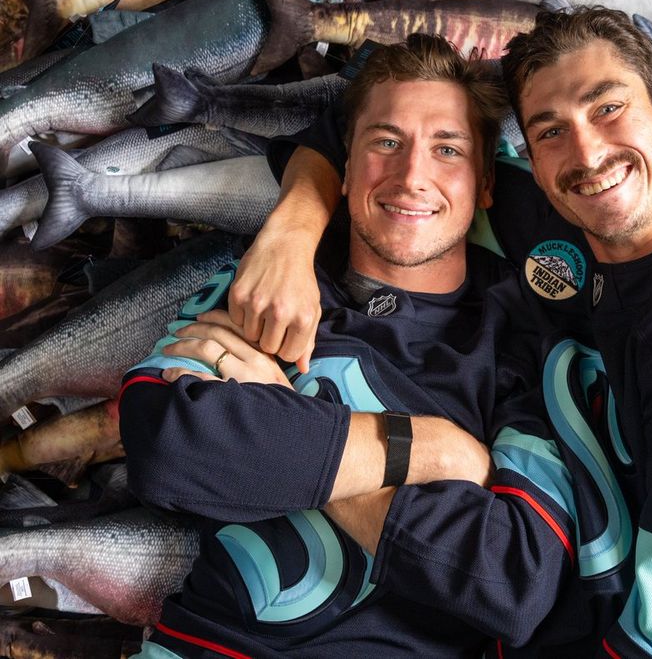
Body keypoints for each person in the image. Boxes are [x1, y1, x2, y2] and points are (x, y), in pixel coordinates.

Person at [233, 8, 652, 659]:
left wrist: (306, 444)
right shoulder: (571, 211)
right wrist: (289, 235)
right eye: (551, 131)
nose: (588, 153)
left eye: (609, 109)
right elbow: (364, 126)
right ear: (529, 159)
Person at [120, 34, 618, 658]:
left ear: (485, 183)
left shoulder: (523, 343)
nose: (412, 177)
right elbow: (168, 443)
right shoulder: (272, 290)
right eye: (386, 143)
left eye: (447, 150)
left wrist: (286, 415)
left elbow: (511, 581)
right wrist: (430, 448)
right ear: (345, 167)